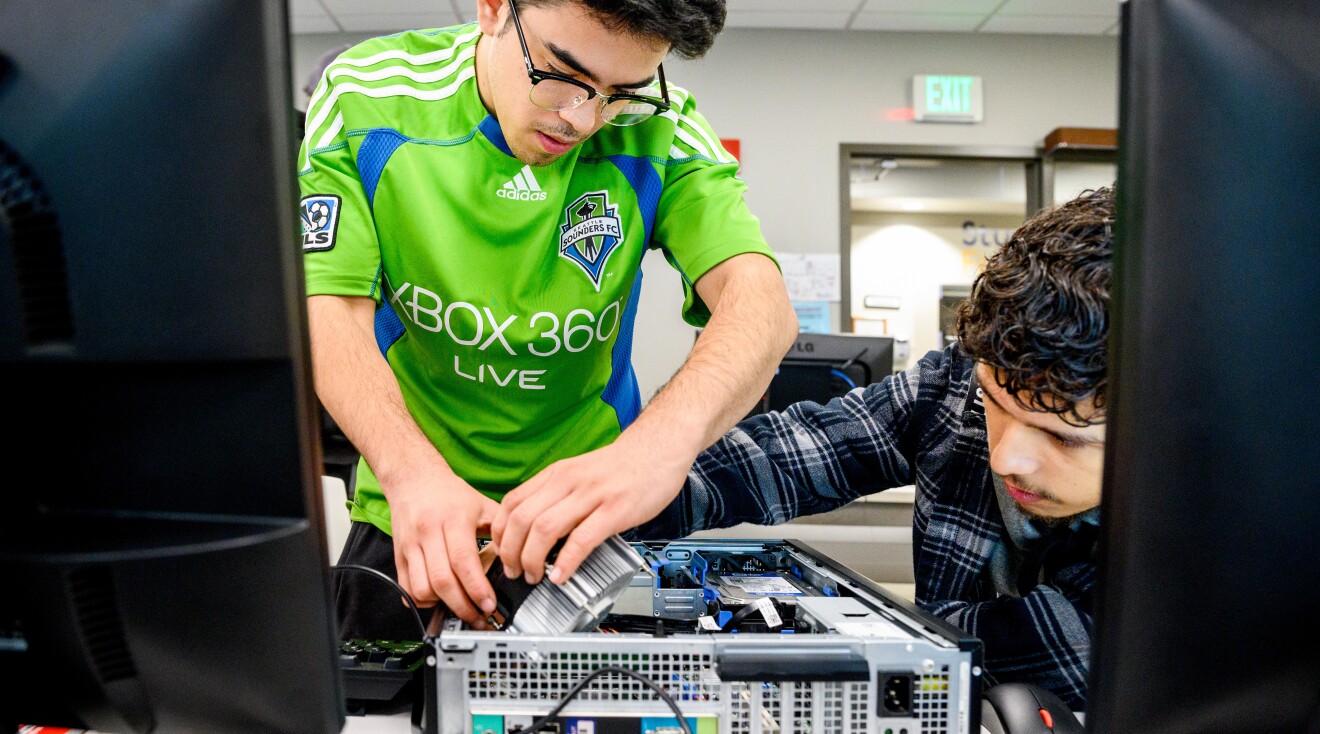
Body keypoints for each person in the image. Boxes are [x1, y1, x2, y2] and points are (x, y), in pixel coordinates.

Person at [297, 0, 797, 639]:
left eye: (622, 92)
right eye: (561, 73)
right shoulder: (368, 95)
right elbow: (326, 306)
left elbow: (761, 301)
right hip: (411, 515)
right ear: (493, 9)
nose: (583, 118)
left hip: (587, 532)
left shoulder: (664, 129)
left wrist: (653, 451)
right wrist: (409, 474)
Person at [618, 187, 1115, 710]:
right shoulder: (953, 387)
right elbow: (794, 454)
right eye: (994, 401)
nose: (1005, 458)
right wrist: (620, 495)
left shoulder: (1192, 534)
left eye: (1063, 437)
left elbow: (1054, 647)